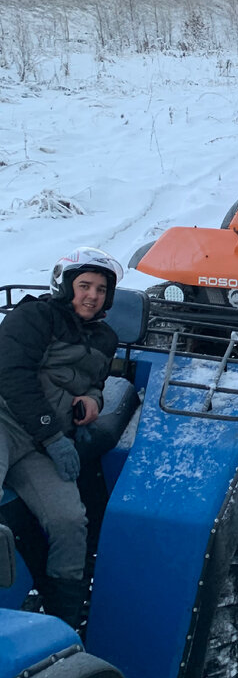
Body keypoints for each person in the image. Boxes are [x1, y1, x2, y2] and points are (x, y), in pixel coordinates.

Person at [0, 246, 122, 628]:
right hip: (6, 422)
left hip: (41, 447)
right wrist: (53, 436)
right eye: (84, 285)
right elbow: (11, 375)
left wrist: (93, 399)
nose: (92, 295)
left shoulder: (105, 338)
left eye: (101, 289)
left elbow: (98, 384)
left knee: (70, 521)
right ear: (66, 285)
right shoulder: (34, 316)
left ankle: (61, 621)